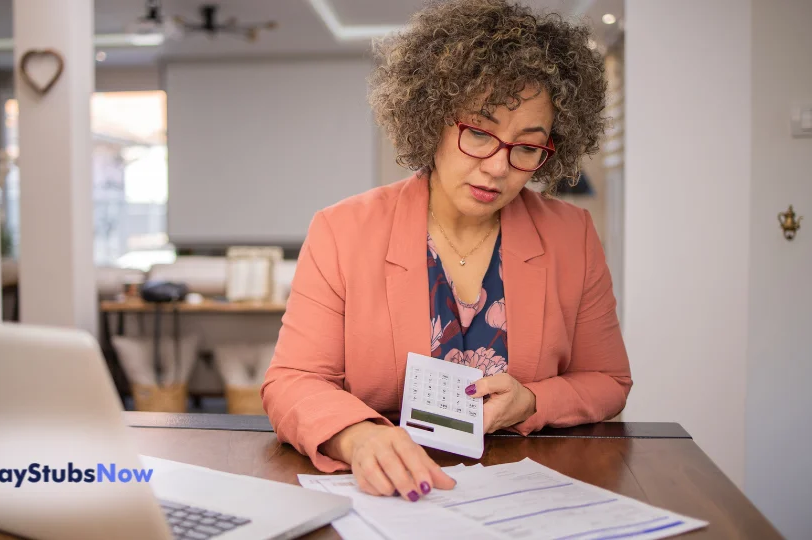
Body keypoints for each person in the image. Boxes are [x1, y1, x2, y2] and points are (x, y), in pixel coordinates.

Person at [261, 0, 631, 503]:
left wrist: (533, 400)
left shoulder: (572, 235)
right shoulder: (342, 230)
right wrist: (359, 437)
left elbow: (608, 380)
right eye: (479, 133)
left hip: (522, 497)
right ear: (432, 118)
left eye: (526, 146)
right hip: (386, 494)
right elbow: (292, 381)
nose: (499, 167)